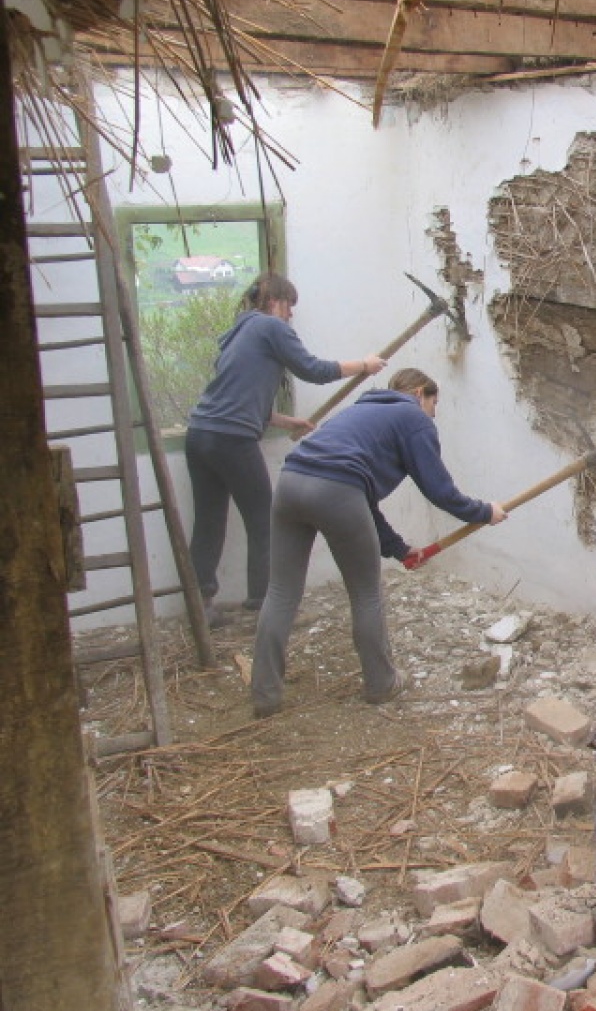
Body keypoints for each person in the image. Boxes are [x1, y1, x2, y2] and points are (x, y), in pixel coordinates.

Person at [249, 368, 505, 718]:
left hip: (291, 484)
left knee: (280, 591)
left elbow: (362, 501)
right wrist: (483, 512)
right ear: (418, 393)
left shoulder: (359, 413)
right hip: (337, 491)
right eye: (434, 403)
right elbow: (439, 490)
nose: (434, 413)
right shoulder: (413, 417)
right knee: (365, 593)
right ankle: (381, 684)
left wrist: (398, 549)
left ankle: (264, 694)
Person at [185, 273, 387, 626]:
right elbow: (312, 369)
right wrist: (364, 366)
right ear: (276, 301)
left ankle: (200, 605)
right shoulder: (270, 327)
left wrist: (283, 421)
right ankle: (267, 605)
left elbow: (235, 393)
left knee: (209, 521)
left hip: (201, 434)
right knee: (265, 518)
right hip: (232, 438)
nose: (291, 315)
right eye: (290, 306)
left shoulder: (239, 331)